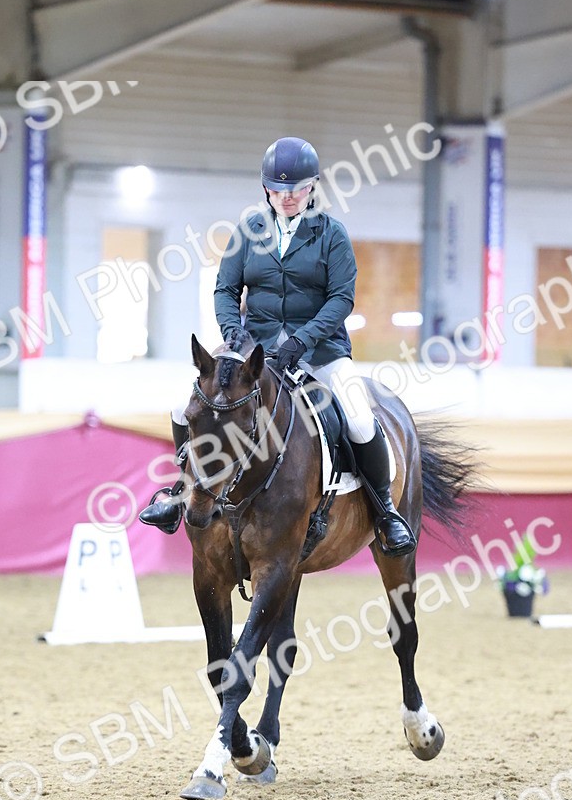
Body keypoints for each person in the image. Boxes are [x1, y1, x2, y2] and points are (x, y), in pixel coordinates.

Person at [139, 136, 415, 556]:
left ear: (312, 187)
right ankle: (183, 491)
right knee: (184, 407)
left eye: (297, 189)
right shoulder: (248, 231)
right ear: (265, 188)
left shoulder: (331, 234)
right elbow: (225, 289)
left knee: (359, 418)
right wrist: (234, 333)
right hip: (254, 349)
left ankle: (384, 511)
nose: (287, 197)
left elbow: (341, 298)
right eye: (278, 188)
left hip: (321, 350)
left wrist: (302, 341)